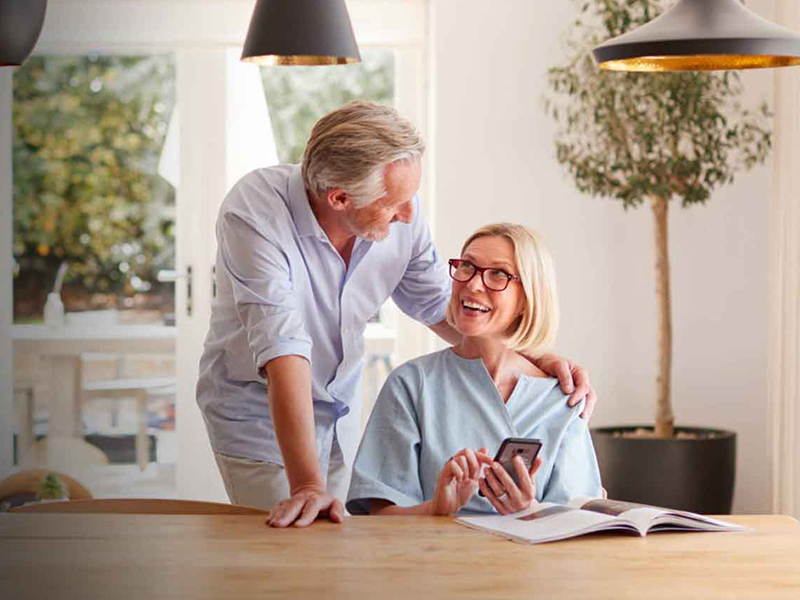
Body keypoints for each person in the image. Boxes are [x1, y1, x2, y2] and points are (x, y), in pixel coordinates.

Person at [197, 101, 598, 527]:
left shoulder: (401, 208)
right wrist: (307, 486)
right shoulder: (256, 212)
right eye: (394, 205)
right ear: (340, 197)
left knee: (333, 553)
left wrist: (533, 355)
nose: (409, 214)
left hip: (337, 411)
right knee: (290, 548)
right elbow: (283, 349)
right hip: (261, 417)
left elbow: (443, 305)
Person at [346, 223, 603, 517]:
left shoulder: (562, 399)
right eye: (467, 266)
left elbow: (583, 522)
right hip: (433, 561)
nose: (473, 284)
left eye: (498, 274)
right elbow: (377, 516)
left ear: (528, 299)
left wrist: (530, 512)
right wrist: (436, 510)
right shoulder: (412, 384)